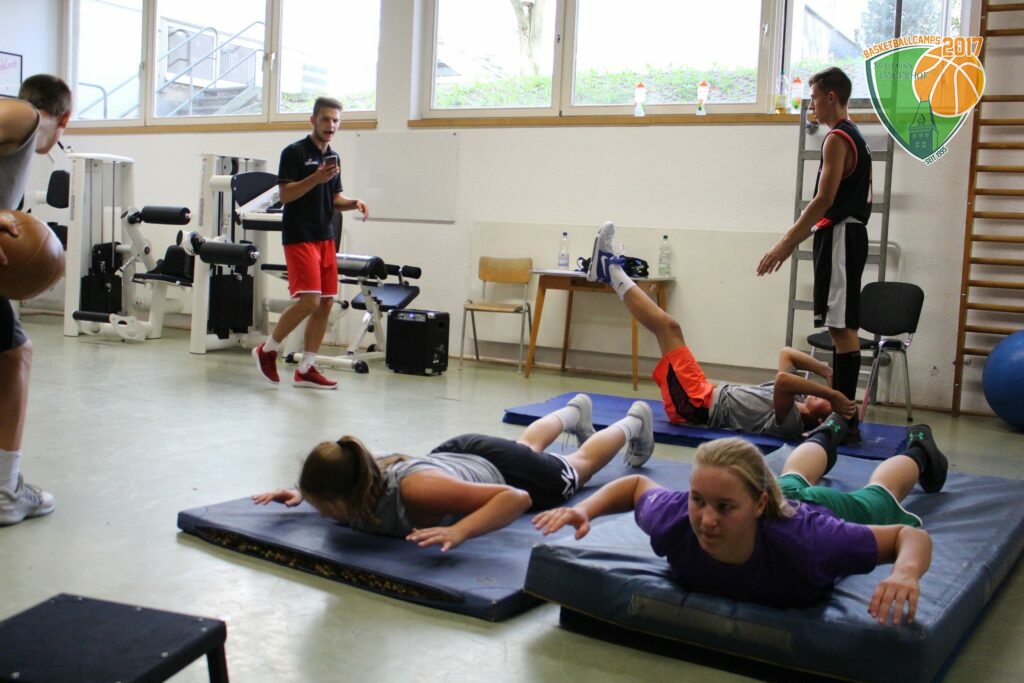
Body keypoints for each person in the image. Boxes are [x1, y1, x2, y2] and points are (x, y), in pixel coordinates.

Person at [533, 417, 948, 623]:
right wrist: (584, 509)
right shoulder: (678, 519)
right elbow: (636, 486)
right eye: (698, 500)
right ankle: (828, 430)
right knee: (790, 477)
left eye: (724, 508)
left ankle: (919, 450)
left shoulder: (811, 541)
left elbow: (908, 536)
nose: (706, 520)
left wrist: (905, 573)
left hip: (814, 507)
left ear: (758, 505)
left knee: (878, 494)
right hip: (773, 492)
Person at [253, 394, 654, 551]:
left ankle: (635, 422)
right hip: (458, 457)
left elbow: (516, 498)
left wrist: (461, 530)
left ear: (347, 496)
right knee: (527, 448)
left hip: (497, 470)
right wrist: (302, 494)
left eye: (324, 507)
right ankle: (573, 412)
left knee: (575, 469)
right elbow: (339, 477)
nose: (322, 514)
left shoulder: (416, 492)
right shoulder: (357, 467)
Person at [586, 221, 855, 440]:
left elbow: (784, 381)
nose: (827, 395)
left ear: (821, 418)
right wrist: (828, 373)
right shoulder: (798, 396)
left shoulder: (791, 423)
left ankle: (610, 270)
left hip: (695, 407)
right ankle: (608, 270)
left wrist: (833, 395)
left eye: (830, 405)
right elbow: (787, 354)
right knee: (669, 327)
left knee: (668, 328)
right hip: (702, 393)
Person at [755, 67, 873, 422]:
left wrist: (786, 243)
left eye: (815, 99)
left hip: (841, 236)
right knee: (840, 326)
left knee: (841, 328)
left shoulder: (837, 138)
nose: (812, 107)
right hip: (846, 235)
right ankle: (843, 415)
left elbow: (824, 200)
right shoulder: (855, 135)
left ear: (831, 97)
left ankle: (844, 419)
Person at [252, 96, 370, 390]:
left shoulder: (333, 157)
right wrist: (315, 178)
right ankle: (267, 350)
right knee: (310, 300)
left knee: (326, 302)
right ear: (313, 120)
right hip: (300, 235)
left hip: (325, 236)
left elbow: (334, 198)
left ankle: (306, 368)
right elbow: (286, 195)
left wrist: (353, 202)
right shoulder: (294, 152)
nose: (331, 125)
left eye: (336, 120)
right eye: (326, 119)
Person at [0, 74, 72, 526]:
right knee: (15, 355)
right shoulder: (22, 115)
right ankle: (5, 492)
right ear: (65, 118)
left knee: (12, 353)